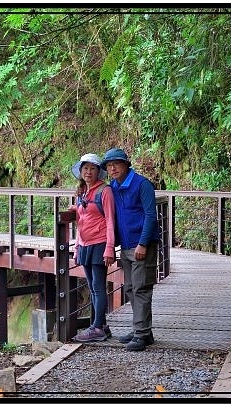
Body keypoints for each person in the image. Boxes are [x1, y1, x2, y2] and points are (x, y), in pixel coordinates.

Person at [101, 148, 160, 351]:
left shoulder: (142, 184)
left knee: (141, 288)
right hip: (125, 245)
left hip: (143, 244)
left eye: (116, 164)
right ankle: (143, 331)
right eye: (109, 166)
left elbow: (151, 216)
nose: (112, 168)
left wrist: (143, 243)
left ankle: (141, 334)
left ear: (126, 164)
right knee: (130, 288)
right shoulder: (113, 187)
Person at [70, 153, 116, 342]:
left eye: (93, 168)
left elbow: (111, 221)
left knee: (98, 287)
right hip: (85, 244)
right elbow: (80, 222)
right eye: (85, 168)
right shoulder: (82, 192)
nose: (88, 172)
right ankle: (102, 325)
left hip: (100, 243)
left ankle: (96, 328)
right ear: (80, 171)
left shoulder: (104, 191)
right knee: (91, 286)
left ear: (99, 172)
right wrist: (76, 247)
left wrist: (110, 248)